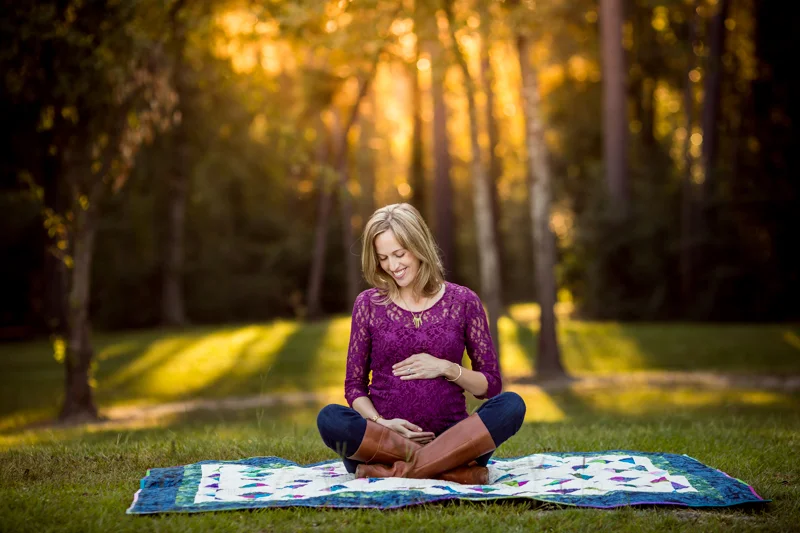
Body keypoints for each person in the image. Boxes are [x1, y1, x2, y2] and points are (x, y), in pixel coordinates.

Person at [316, 203, 526, 484]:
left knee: (511, 405)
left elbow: (490, 386)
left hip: (456, 439)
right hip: (385, 443)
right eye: (383, 258)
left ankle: (396, 472)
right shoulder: (368, 304)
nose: (393, 266)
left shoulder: (464, 302)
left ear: (419, 246)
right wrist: (383, 424)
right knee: (330, 418)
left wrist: (446, 367)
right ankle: (453, 472)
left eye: (399, 254)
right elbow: (353, 388)